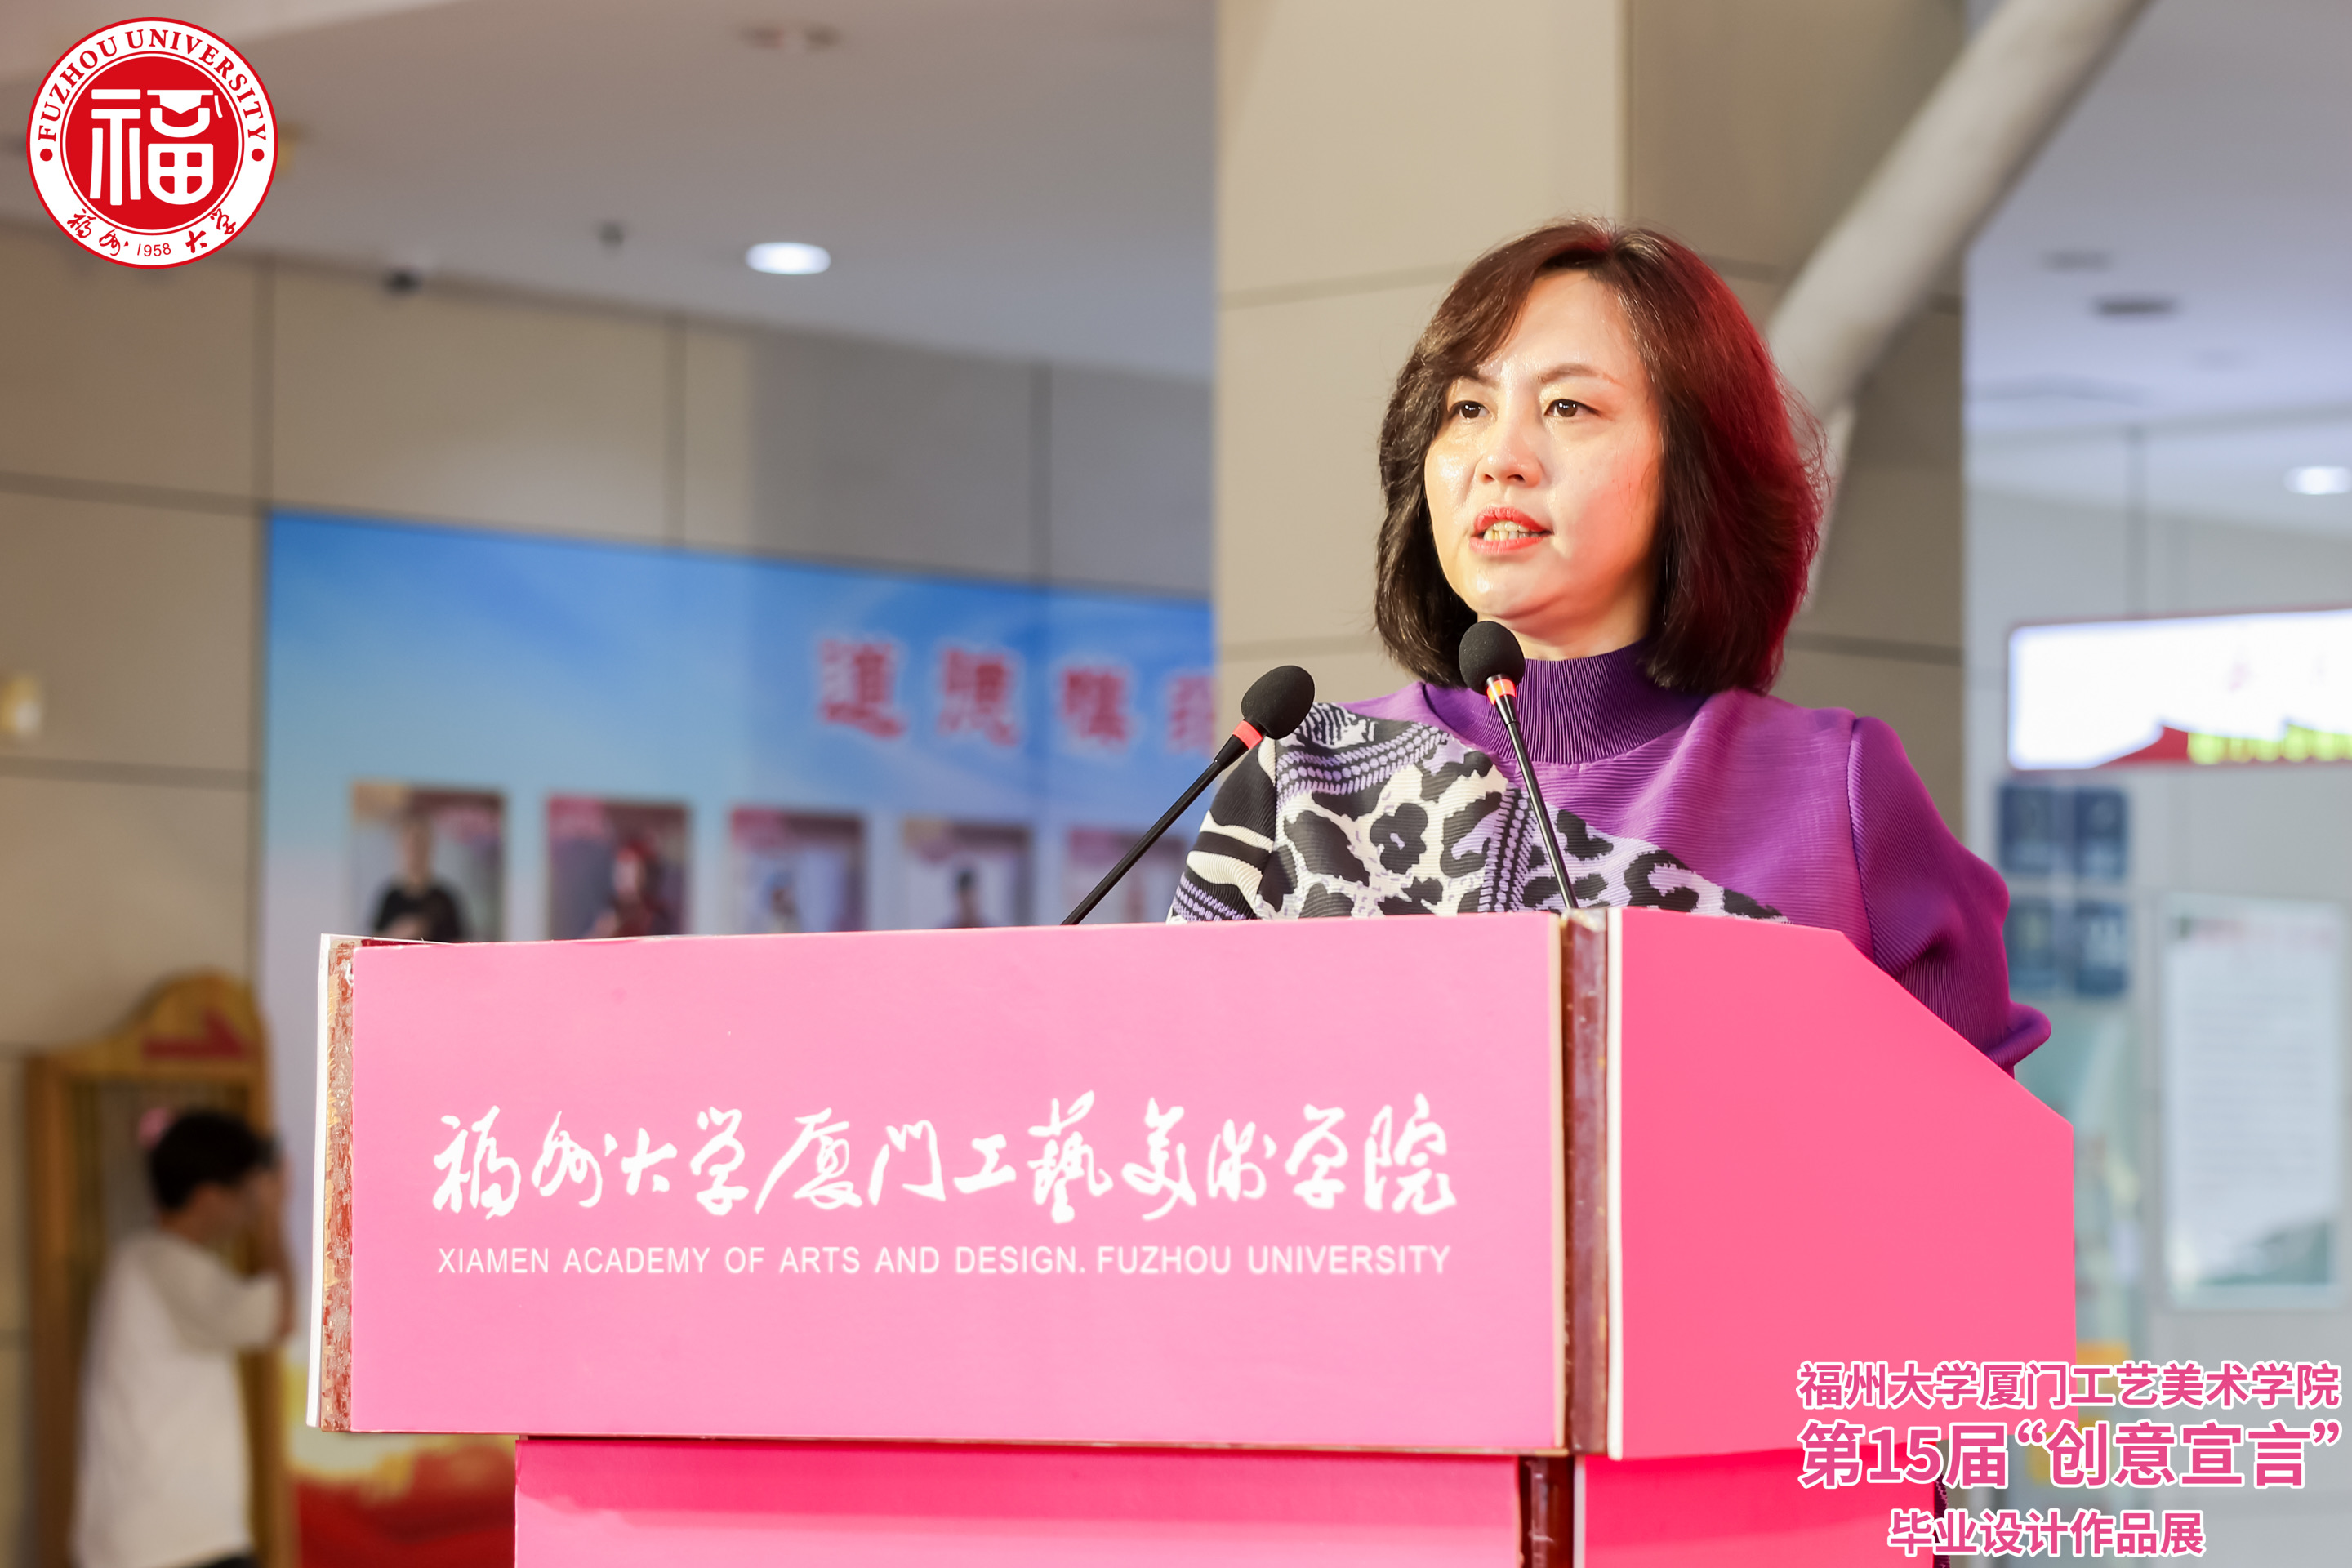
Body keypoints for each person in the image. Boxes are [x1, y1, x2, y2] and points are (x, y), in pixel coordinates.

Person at [1172, 218, 2047, 1069]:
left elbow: (1980, 1145)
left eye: (1568, 406)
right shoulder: (1298, 782)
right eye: (1467, 408)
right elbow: (1180, 1113)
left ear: (1694, 464)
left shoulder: (1837, 792)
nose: (1500, 457)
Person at [75, 1110, 291, 1568]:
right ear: (208, 1196)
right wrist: (274, 1219)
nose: (249, 1208)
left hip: (156, 1542)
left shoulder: (143, 1263)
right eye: (246, 1192)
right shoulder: (164, 1265)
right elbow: (279, 1317)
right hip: (177, 1543)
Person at [370, 812, 466, 942]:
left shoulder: (445, 900)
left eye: (420, 844)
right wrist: (398, 932)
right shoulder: (390, 899)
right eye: (410, 845)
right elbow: (374, 944)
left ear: (429, 847)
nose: (415, 852)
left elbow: (460, 945)